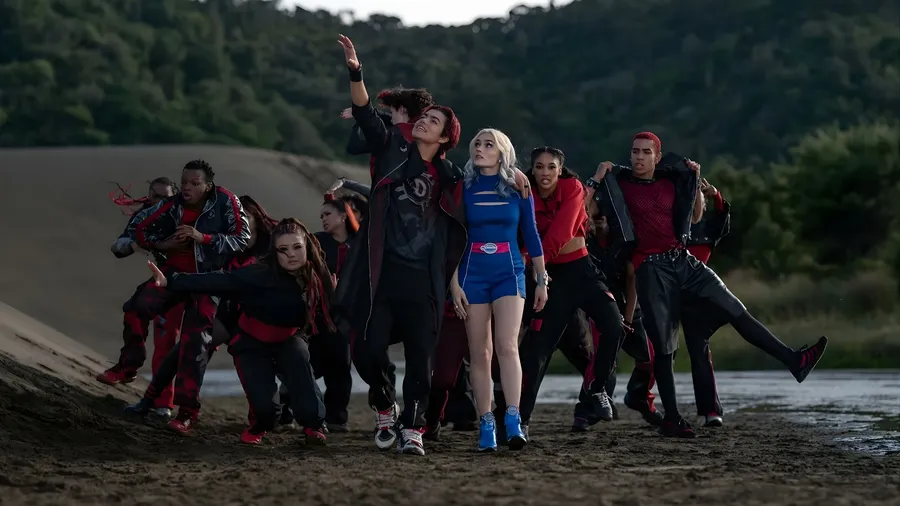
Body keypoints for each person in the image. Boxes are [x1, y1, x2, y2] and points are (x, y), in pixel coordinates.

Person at [332, 34, 529, 455]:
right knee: (367, 349)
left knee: (422, 358)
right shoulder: (390, 148)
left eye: (433, 121)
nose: (423, 122)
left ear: (443, 138)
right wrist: (355, 71)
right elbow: (365, 113)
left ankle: (413, 427)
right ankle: (385, 404)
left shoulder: (450, 176)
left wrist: (513, 173)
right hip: (382, 272)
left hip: (424, 279)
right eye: (424, 117)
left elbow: (482, 183)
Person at [592, 131, 828, 437]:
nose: (639, 157)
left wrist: (694, 178)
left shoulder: (671, 180)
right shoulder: (619, 182)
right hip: (650, 268)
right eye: (635, 151)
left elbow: (694, 216)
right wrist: (596, 178)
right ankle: (672, 418)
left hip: (683, 260)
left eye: (646, 152)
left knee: (735, 308)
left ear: (657, 157)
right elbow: (587, 209)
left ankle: (794, 360)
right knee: (664, 347)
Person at [145, 218, 333, 445]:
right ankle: (259, 425)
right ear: (274, 252)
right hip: (252, 343)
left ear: (306, 247)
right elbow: (220, 280)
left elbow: (333, 308)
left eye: (297, 247)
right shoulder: (259, 274)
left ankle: (314, 426)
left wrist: (334, 293)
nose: (291, 254)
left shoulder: (318, 275)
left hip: (289, 340)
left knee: (301, 364)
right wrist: (170, 281)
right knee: (266, 411)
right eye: (283, 249)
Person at [97, 160, 250, 435]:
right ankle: (128, 366)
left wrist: (203, 238)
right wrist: (162, 244)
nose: (187, 187)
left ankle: (186, 413)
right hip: (172, 276)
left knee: (194, 345)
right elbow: (135, 231)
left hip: (208, 280)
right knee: (136, 307)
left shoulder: (226, 201)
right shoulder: (171, 205)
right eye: (184, 182)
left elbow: (242, 239)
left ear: (208, 185)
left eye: (195, 183)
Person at [124, 195, 276, 426]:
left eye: (245, 216)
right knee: (186, 351)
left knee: (260, 370)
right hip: (223, 313)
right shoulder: (222, 243)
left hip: (255, 318)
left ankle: (273, 416)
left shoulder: (270, 248)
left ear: (256, 218)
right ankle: (151, 402)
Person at [515, 146, 626, 438]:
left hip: (580, 270)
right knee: (538, 351)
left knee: (614, 324)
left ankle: (597, 388)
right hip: (551, 279)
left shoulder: (572, 187)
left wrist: (533, 262)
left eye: (551, 167)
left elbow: (560, 233)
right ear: (532, 170)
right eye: (539, 167)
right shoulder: (524, 192)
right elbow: (519, 232)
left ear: (560, 169)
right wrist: (528, 263)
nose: (545, 173)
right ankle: (521, 422)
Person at [449, 129, 547, 452]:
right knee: (480, 352)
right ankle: (486, 423)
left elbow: (531, 233)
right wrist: (453, 282)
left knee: (507, 346)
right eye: (476, 144)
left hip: (509, 272)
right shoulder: (463, 187)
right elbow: (451, 237)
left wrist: (541, 279)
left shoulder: (519, 187)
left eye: (488, 144)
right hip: (471, 274)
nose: (480, 148)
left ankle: (513, 420)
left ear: (502, 152)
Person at [109, 177, 183, 420]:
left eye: (164, 196)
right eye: (154, 195)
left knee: (166, 340)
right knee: (133, 312)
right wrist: (133, 244)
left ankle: (164, 404)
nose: (158, 201)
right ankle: (128, 367)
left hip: (185, 282)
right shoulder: (144, 216)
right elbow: (118, 246)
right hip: (160, 282)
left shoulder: (184, 215)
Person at [683, 178, 732, 427]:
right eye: (690, 200)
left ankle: (711, 410)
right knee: (657, 351)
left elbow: (722, 218)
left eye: (698, 200)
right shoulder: (673, 226)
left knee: (700, 353)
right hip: (667, 292)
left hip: (697, 297)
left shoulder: (708, 229)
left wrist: (716, 196)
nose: (694, 204)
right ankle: (645, 400)